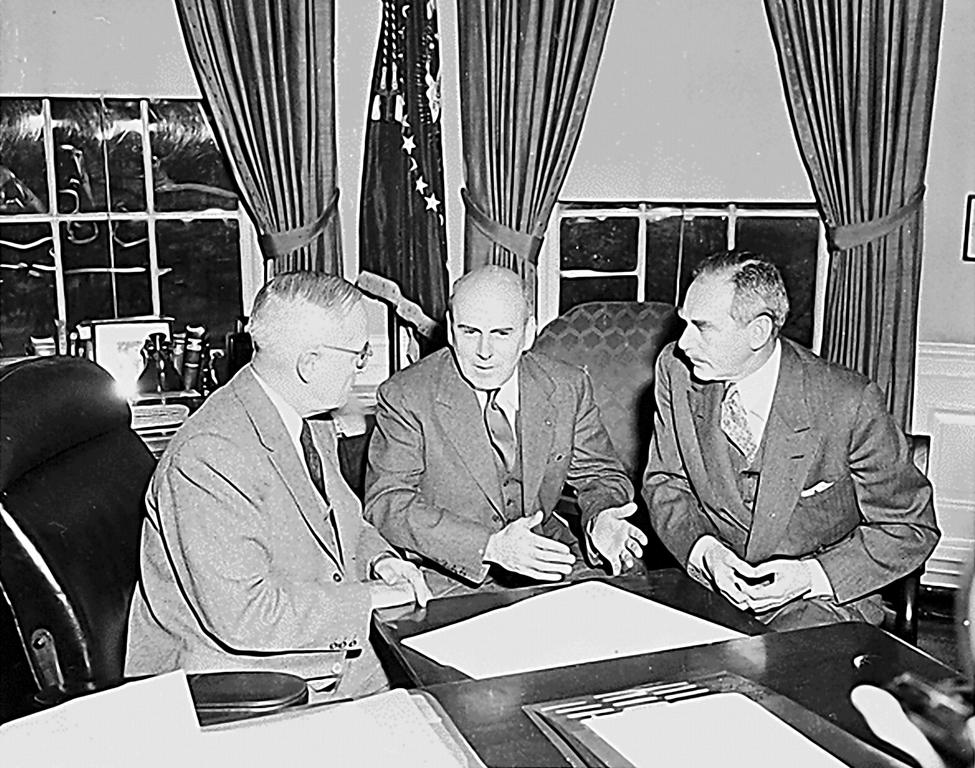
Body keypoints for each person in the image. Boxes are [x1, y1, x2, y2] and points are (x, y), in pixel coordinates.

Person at [125, 272, 430, 700]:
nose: (362, 367)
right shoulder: (210, 456)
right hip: (244, 679)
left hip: (307, 649)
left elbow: (344, 522)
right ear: (310, 364)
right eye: (358, 354)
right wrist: (371, 598)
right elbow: (246, 616)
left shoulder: (307, 417)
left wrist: (381, 561)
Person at [643, 250, 939, 630]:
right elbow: (666, 481)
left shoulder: (847, 401)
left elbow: (911, 529)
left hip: (819, 604)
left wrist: (811, 576)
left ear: (759, 332)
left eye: (702, 327)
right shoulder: (676, 372)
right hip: (708, 588)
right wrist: (705, 552)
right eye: (685, 323)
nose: (683, 343)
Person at [364, 265, 646, 595]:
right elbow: (386, 501)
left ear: (528, 334)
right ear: (451, 332)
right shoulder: (406, 394)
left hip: (551, 558)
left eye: (501, 333)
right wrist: (492, 547)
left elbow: (600, 474)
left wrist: (601, 517)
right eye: (470, 332)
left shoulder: (567, 386)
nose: (484, 352)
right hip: (448, 573)